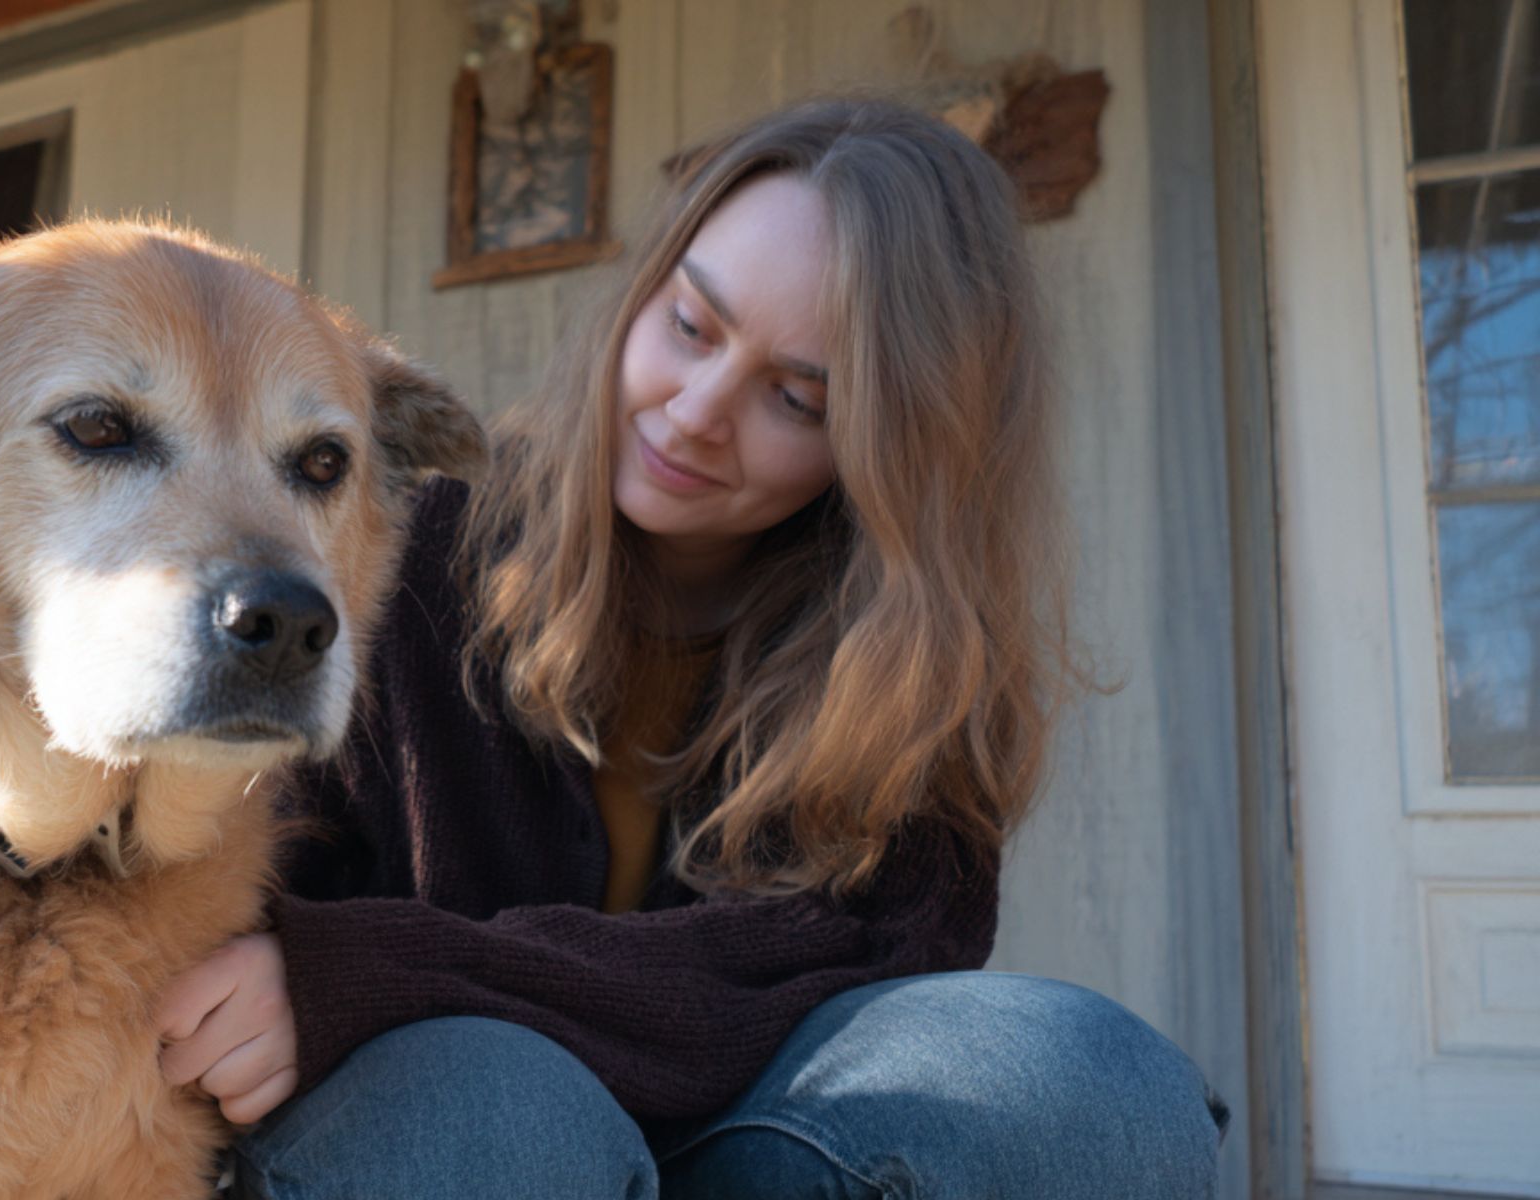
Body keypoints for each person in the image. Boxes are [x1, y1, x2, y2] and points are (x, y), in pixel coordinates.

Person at [153, 97, 1228, 1198]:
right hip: (441, 1130)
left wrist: (388, 970)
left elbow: (867, 952)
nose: (698, 410)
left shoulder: (917, 656)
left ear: (895, 448)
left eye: (798, 396)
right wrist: (344, 990)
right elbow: (230, 898)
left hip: (752, 1136)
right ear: (644, 293)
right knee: (506, 1111)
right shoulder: (407, 542)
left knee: (1096, 1088)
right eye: (691, 327)